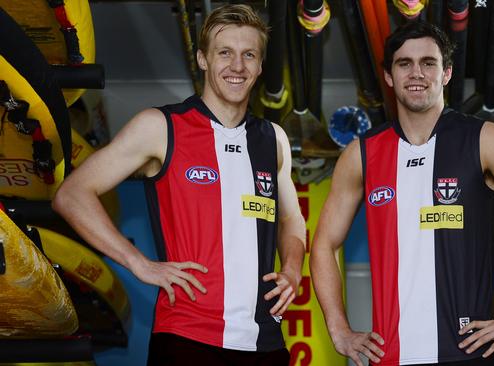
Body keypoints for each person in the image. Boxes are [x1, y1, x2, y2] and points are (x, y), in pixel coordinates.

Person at [53, 4, 305, 366]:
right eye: (225, 53)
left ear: (261, 66)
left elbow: (292, 220)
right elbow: (72, 194)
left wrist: (293, 270)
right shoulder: (161, 126)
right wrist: (140, 264)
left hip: (265, 341)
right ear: (203, 59)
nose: (238, 65)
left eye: (249, 54)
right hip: (187, 336)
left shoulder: (273, 139)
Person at [310, 21, 494, 366]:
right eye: (404, 63)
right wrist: (340, 330)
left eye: (428, 63)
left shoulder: (485, 140)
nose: (416, 73)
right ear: (389, 76)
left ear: (447, 73)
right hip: (391, 357)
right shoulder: (361, 154)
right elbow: (322, 245)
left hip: (468, 355)